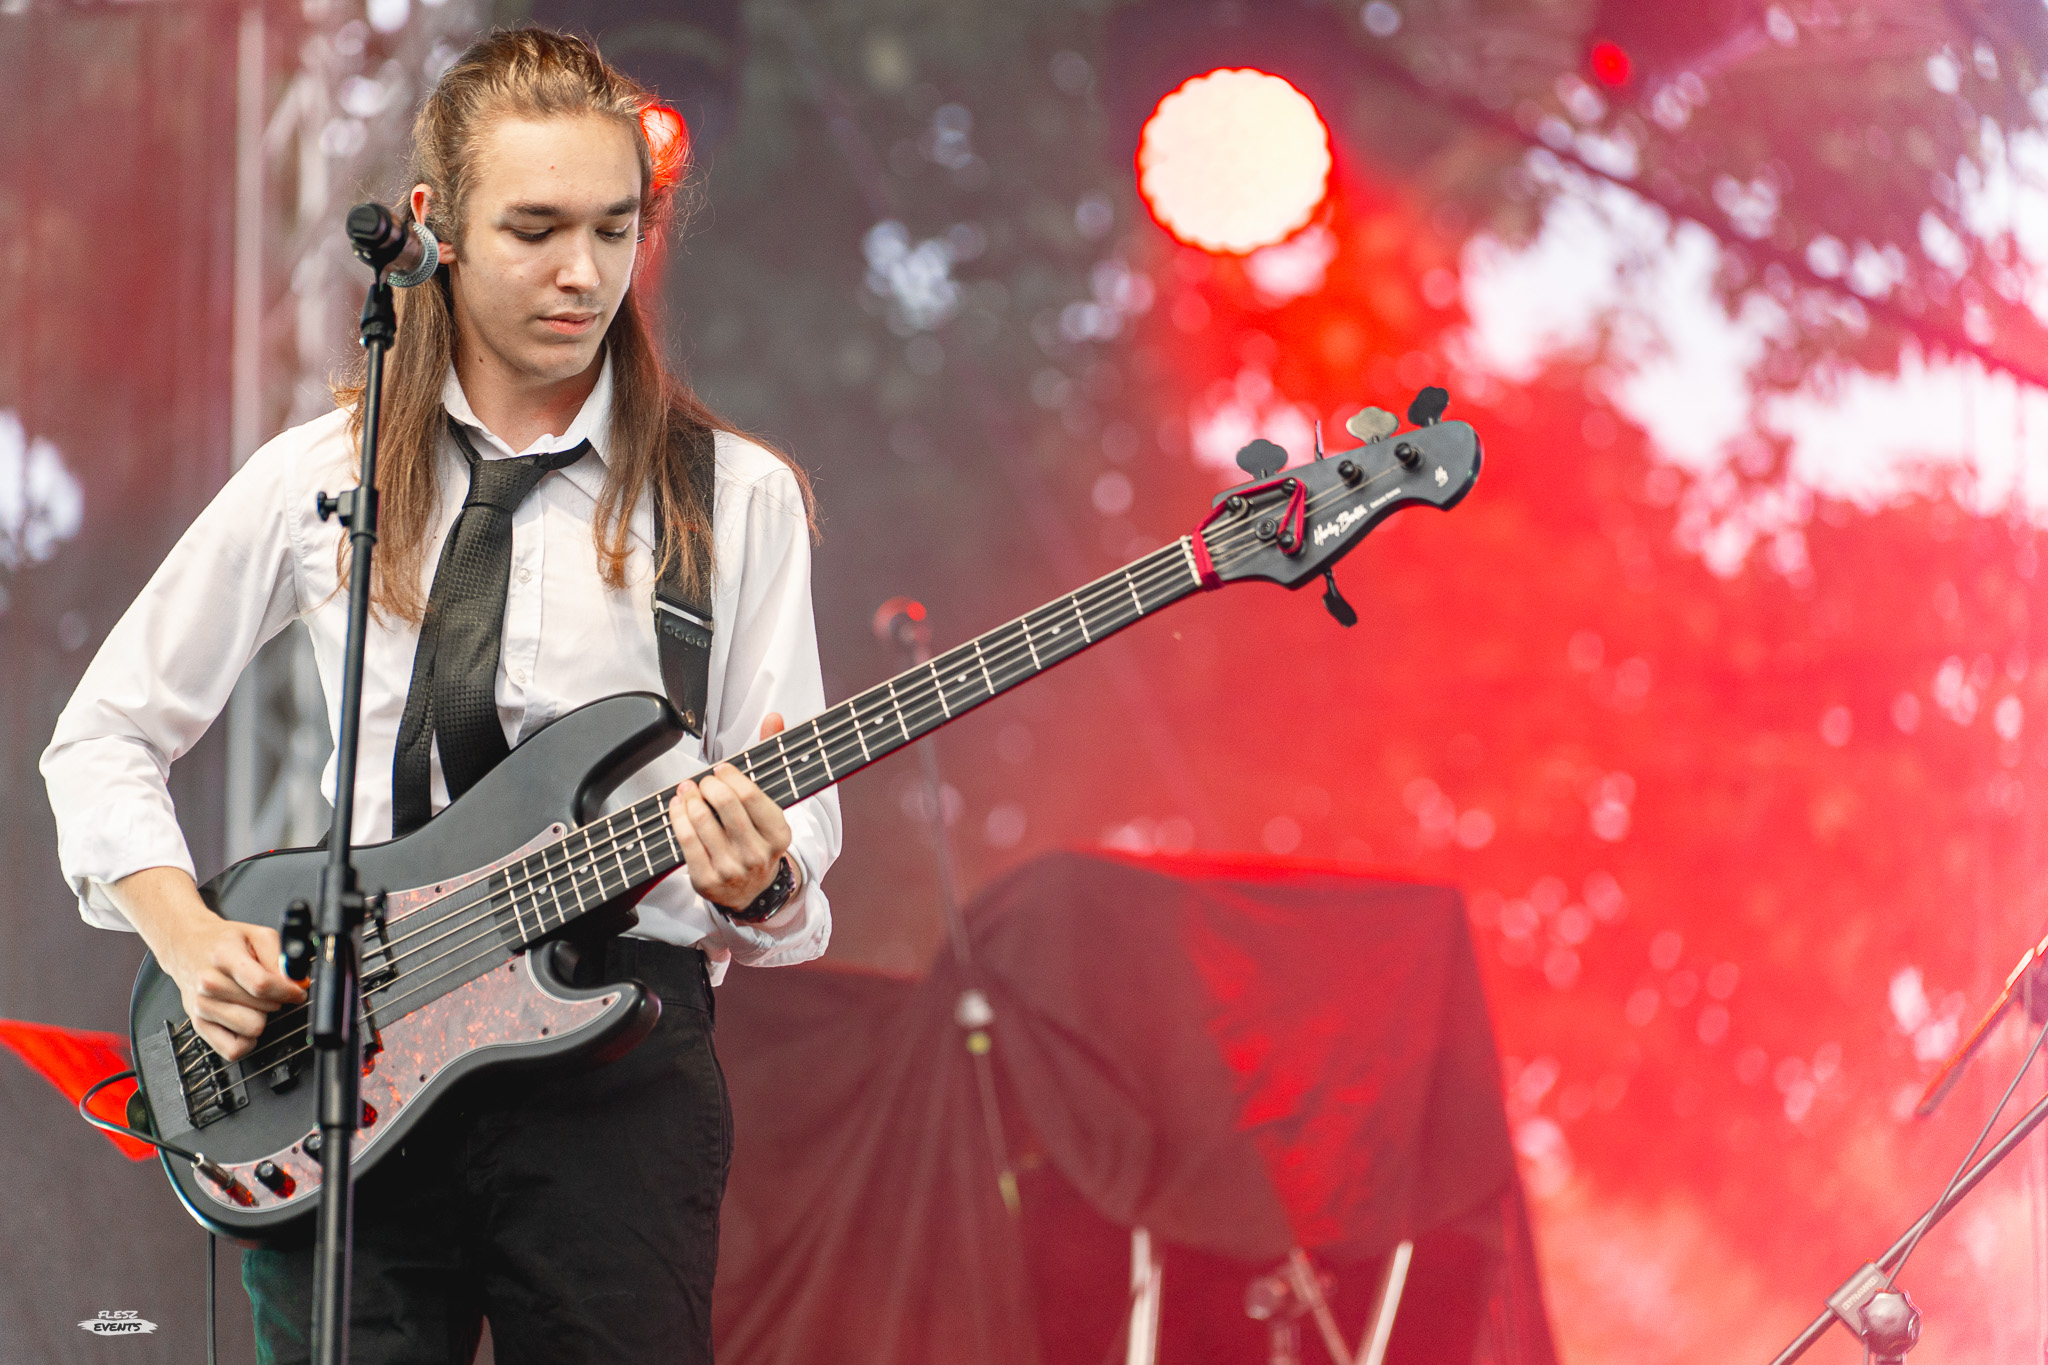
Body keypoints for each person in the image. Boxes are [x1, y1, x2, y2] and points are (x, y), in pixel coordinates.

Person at [39, 26, 839, 1365]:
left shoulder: (735, 497)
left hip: (615, 1078)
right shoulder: (320, 476)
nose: (584, 272)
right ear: (436, 225)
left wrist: (764, 878)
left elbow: (797, 827)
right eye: (535, 229)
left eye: (614, 228)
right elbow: (101, 736)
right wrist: (186, 934)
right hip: (344, 1046)